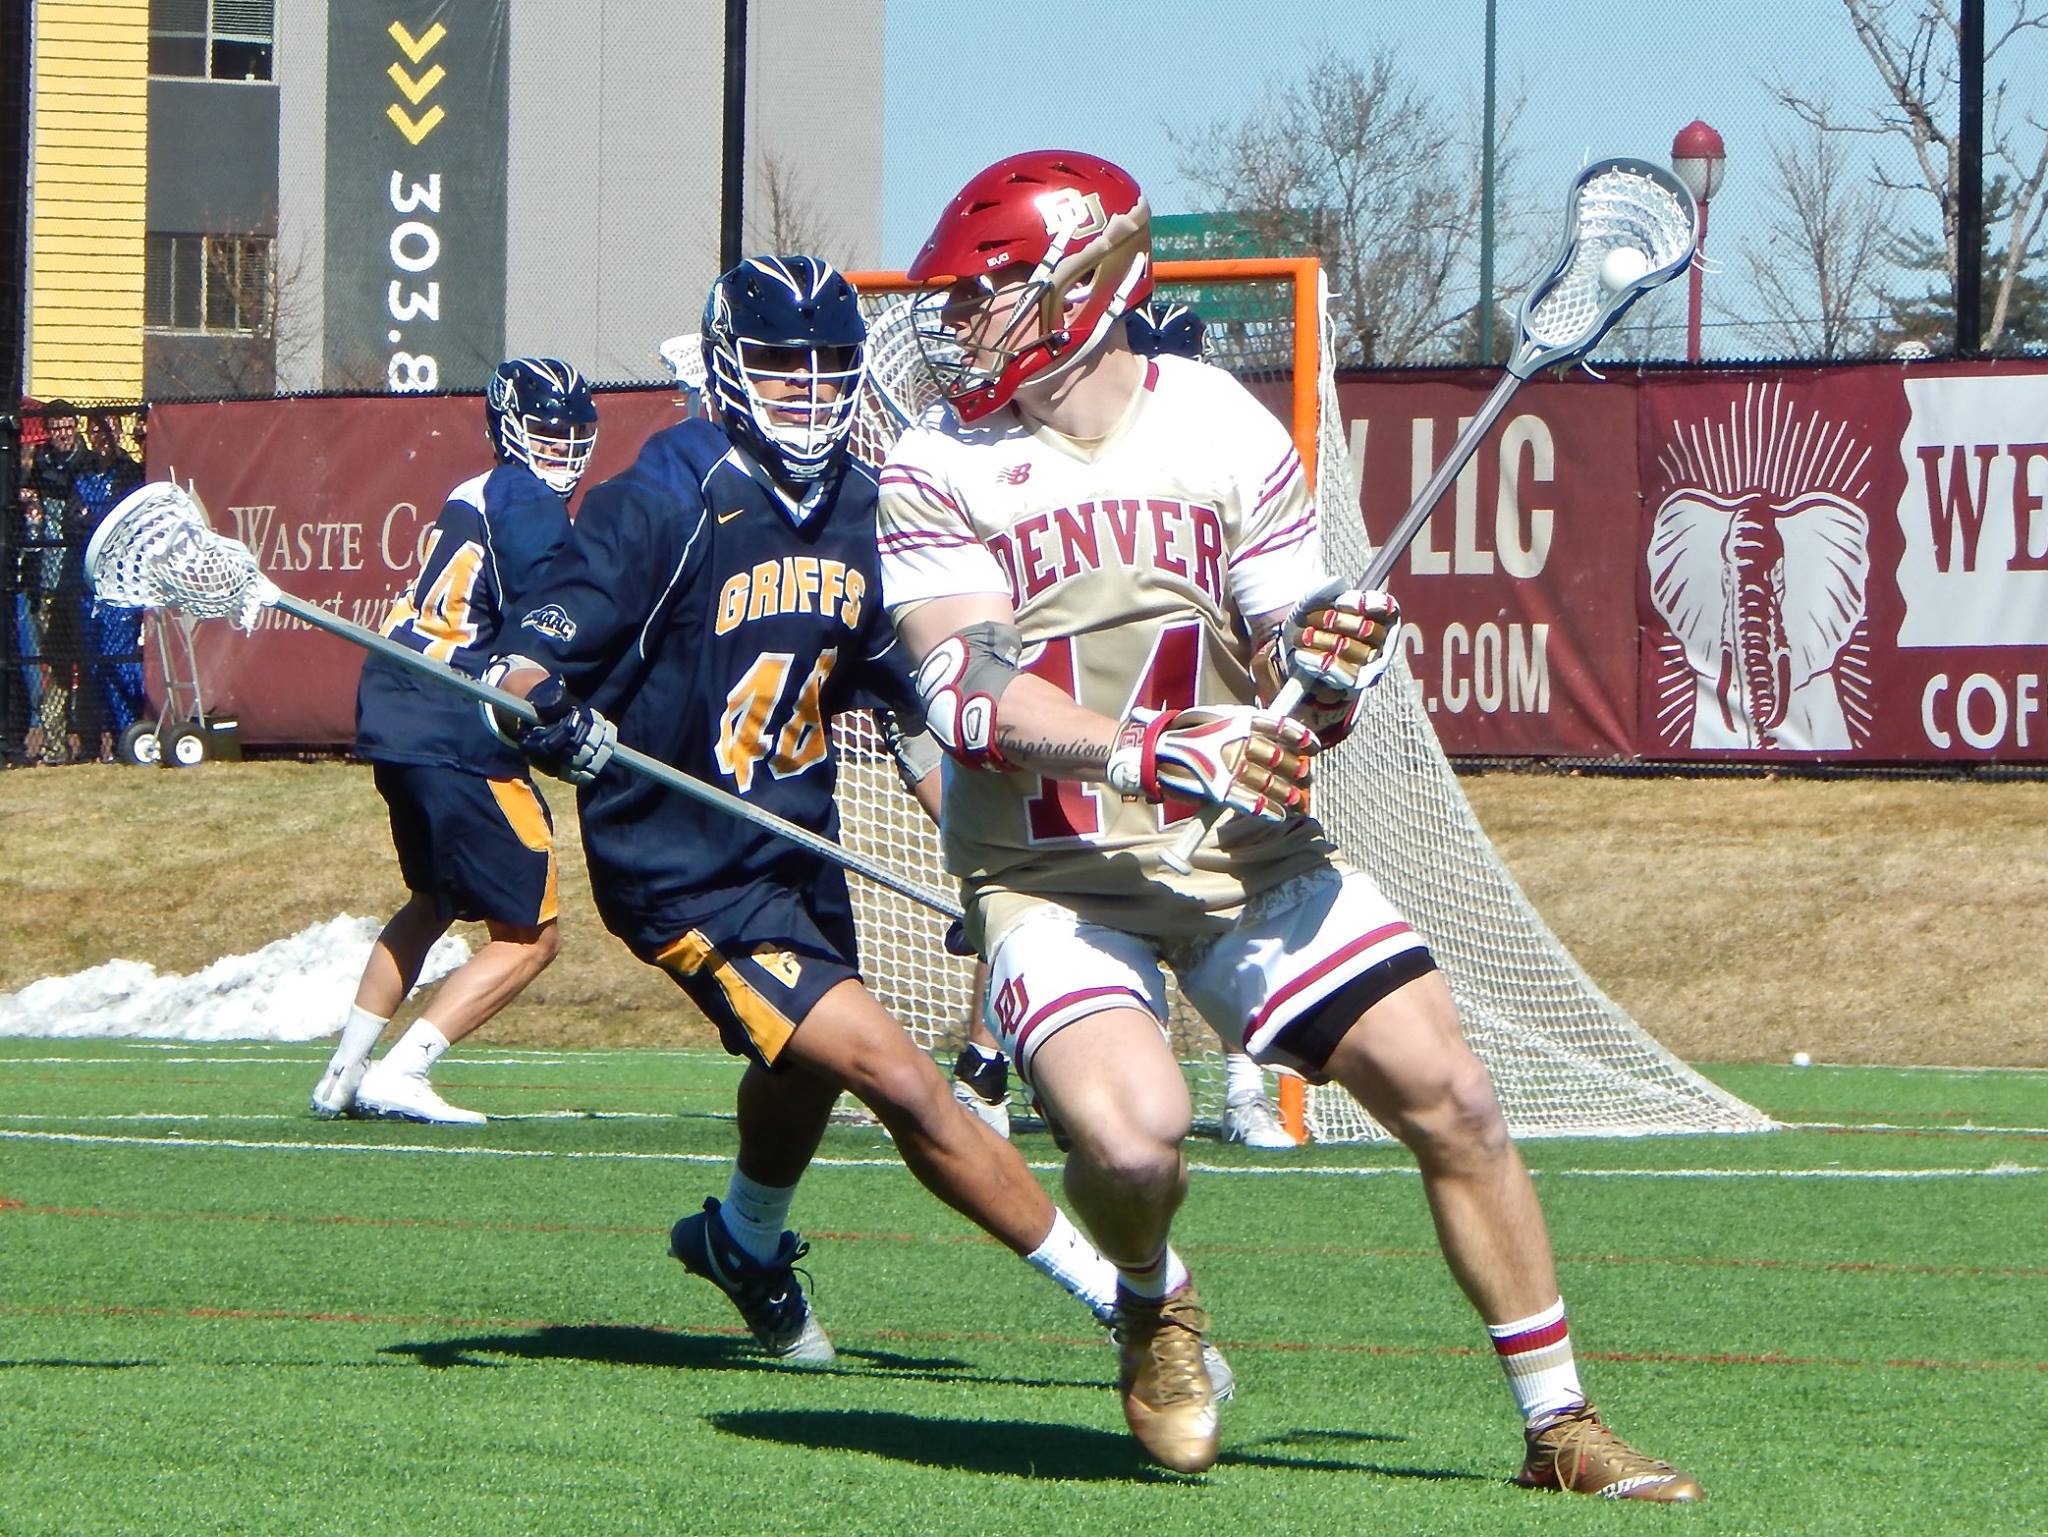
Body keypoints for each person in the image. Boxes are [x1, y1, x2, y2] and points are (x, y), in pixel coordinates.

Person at [875, 149, 1702, 1495]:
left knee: (1455, 1095)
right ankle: (1151, 1296)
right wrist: (1152, 748)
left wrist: (1328, 671)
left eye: (992, 294)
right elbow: (964, 688)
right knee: (1132, 1141)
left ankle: (1558, 1424)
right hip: (1054, 864)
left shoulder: (1216, 424)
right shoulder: (934, 462)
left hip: (1245, 859)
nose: (960, 324)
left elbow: (1292, 668)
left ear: (1084, 285)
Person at [477, 255, 1208, 1388]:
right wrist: (547, 718)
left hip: (791, 847)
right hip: (679, 865)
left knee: (799, 1067)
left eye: (828, 369)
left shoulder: (866, 513)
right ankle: (1127, 1304)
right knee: (899, 1076)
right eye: (780, 367)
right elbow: (520, 664)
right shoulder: (666, 495)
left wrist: (974, 856)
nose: (809, 393)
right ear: (729, 367)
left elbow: (913, 714)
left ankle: (744, 1241)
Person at [308, 358, 599, 1125]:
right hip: (457, 718)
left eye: (575, 437)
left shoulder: (470, 493)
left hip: (395, 706)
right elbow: (545, 632)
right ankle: (403, 1070)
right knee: (532, 933)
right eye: (547, 434)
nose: (563, 452)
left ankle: (341, 1073)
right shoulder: (528, 503)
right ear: (509, 428)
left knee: (432, 900)